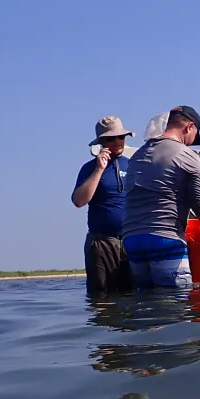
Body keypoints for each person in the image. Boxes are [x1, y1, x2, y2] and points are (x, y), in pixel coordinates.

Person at [122, 105, 200, 289]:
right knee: (175, 308)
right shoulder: (186, 156)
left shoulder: (136, 157)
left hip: (132, 240)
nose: (191, 142)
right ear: (189, 127)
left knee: (145, 307)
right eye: (194, 136)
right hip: (165, 238)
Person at [71, 116, 135, 294]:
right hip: (102, 243)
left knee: (131, 297)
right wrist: (99, 169)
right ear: (101, 142)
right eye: (111, 138)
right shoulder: (89, 168)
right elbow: (79, 201)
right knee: (101, 299)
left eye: (121, 137)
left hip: (130, 241)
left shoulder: (131, 165)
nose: (117, 142)